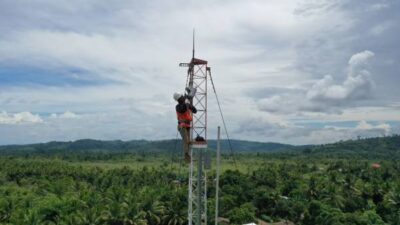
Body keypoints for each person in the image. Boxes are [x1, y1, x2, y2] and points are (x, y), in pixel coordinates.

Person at [173, 90, 197, 162]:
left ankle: (188, 154)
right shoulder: (177, 107)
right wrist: (187, 102)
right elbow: (182, 109)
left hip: (187, 126)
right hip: (182, 126)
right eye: (182, 97)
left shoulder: (186, 104)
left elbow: (195, 111)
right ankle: (186, 155)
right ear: (179, 99)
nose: (183, 97)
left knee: (188, 142)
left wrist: (190, 104)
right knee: (186, 141)